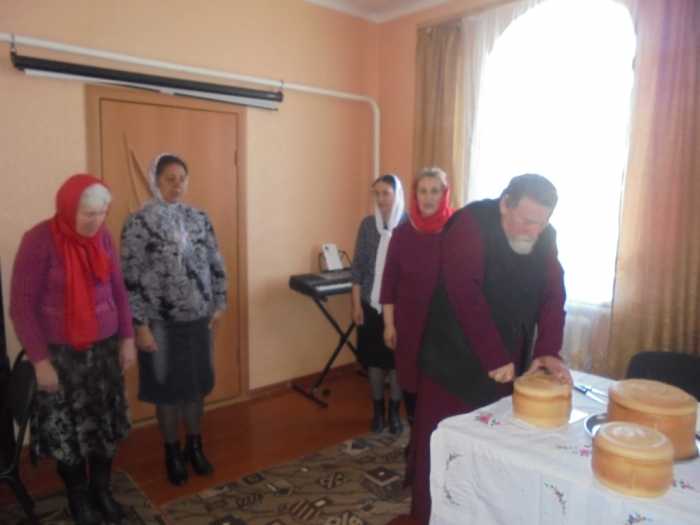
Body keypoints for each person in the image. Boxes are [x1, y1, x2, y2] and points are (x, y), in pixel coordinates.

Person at [410, 174, 571, 524]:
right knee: (441, 448)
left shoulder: (545, 236)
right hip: (451, 359)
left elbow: (553, 293)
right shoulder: (470, 224)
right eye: (526, 221)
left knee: (491, 455)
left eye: (541, 223)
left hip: (505, 363)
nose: (533, 231)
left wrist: (547, 350)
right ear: (505, 204)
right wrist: (494, 355)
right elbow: (463, 291)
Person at [10, 174, 136, 525]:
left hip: (104, 352)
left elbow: (119, 291)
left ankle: (101, 490)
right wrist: (40, 361)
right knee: (69, 434)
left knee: (104, 428)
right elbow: (21, 307)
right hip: (61, 358)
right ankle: (78, 497)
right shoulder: (38, 241)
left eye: (102, 213)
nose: (96, 221)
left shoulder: (103, 238)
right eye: (88, 213)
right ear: (67, 207)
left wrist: (127, 338)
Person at [120, 153, 227, 486]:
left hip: (198, 321)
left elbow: (215, 261)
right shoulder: (139, 222)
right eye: (169, 179)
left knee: (195, 389)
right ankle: (172, 452)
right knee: (167, 392)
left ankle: (195, 446)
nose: (177, 185)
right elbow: (129, 279)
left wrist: (219, 302)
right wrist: (139, 325)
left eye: (182, 178)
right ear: (156, 181)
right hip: (159, 325)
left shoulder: (199, 217)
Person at [380, 166, 454, 474]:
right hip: (408, 324)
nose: (428, 197)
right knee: (410, 383)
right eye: (423, 191)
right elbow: (389, 283)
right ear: (414, 195)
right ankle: (416, 437)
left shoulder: (456, 232)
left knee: (438, 386)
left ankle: (436, 443)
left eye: (435, 191)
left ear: (444, 194)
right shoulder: (402, 233)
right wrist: (389, 324)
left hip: (445, 327)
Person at [350, 174, 406, 434]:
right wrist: (356, 305)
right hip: (370, 304)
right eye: (377, 193)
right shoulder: (367, 225)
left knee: (396, 363)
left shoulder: (407, 226)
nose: (381, 199)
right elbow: (358, 268)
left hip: (399, 308)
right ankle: (377, 412)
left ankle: (394, 411)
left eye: (386, 193)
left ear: (397, 195)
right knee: (373, 361)